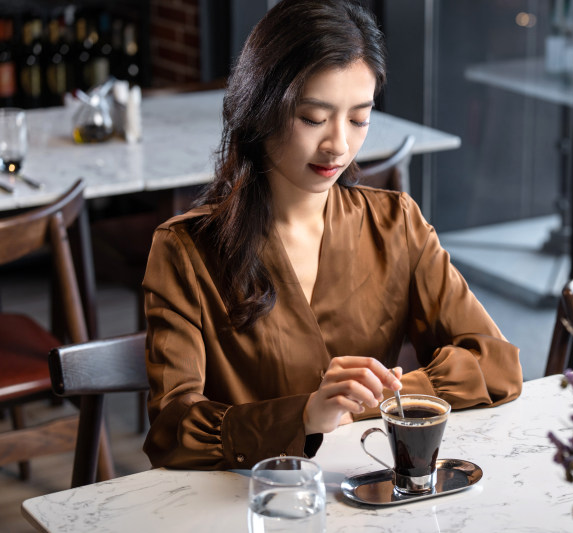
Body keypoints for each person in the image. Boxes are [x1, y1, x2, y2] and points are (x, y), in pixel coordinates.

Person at [142, 0, 523, 470]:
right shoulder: (186, 250)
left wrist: (364, 401)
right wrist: (304, 415)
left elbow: (496, 363)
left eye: (359, 119)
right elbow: (172, 430)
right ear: (261, 108)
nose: (339, 145)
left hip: (368, 485)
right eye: (313, 118)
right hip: (251, 501)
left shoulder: (396, 224)